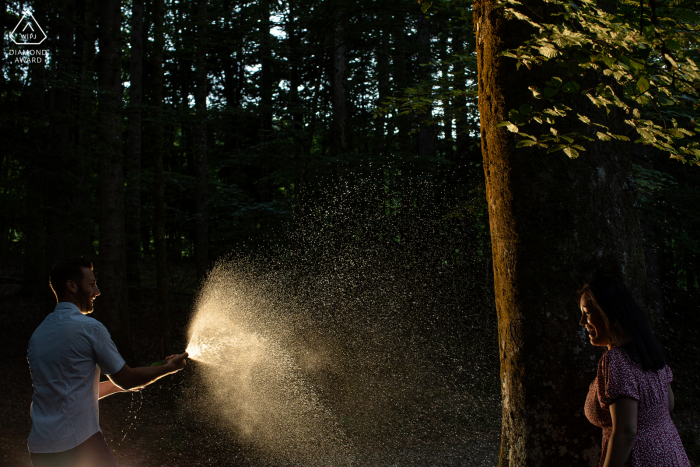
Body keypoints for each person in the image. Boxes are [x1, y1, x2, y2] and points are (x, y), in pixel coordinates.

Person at [27, 257, 188, 467]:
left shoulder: (38, 335)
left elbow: (67, 392)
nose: (97, 291)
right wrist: (169, 368)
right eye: (92, 284)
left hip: (41, 448)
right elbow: (127, 379)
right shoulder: (89, 328)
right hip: (79, 443)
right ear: (72, 286)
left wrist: (116, 386)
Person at [579, 277, 690, 467]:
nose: (582, 322)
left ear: (608, 313)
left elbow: (626, 431)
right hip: (671, 454)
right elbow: (668, 405)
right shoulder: (649, 350)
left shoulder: (615, 360)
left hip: (640, 458)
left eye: (587, 313)